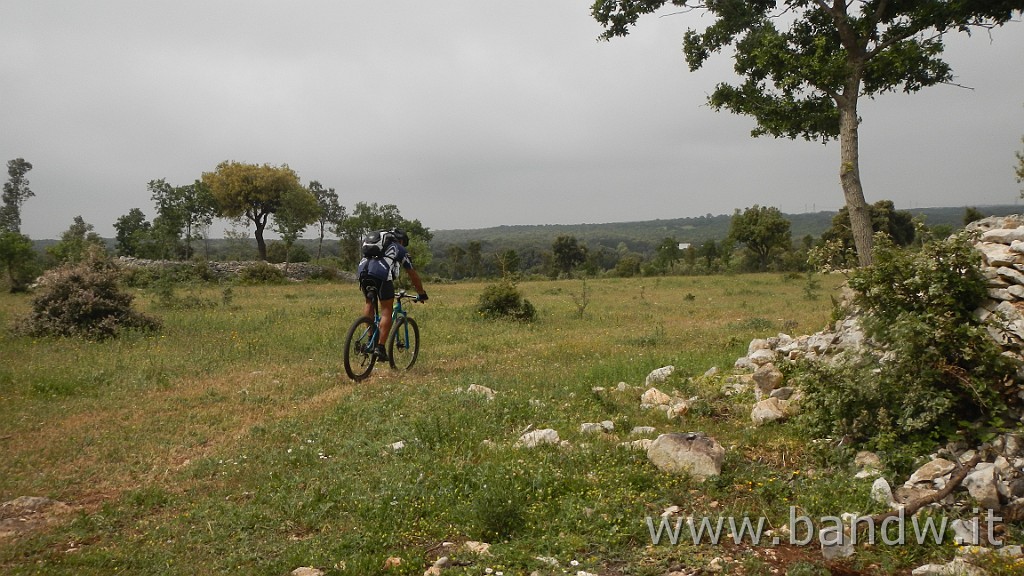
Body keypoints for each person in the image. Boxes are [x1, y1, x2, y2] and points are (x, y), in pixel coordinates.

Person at [356, 228, 428, 360]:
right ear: (401, 240)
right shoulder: (399, 249)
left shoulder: (377, 245)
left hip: (363, 273)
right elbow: (412, 274)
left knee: (369, 302)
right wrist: (421, 293)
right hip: (381, 275)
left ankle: (371, 338)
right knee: (386, 311)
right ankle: (380, 348)